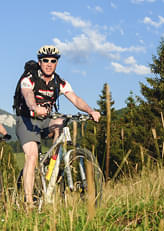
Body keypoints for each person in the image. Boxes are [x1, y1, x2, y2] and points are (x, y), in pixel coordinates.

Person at [13, 45, 101, 204]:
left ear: (57, 63)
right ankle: (28, 202)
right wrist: (34, 107)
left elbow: (75, 99)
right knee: (32, 156)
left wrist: (91, 111)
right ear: (40, 62)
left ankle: (52, 164)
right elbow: (27, 95)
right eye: (45, 60)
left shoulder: (59, 82)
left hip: (46, 120)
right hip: (27, 120)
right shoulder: (29, 79)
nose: (49, 64)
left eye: (53, 61)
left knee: (61, 122)